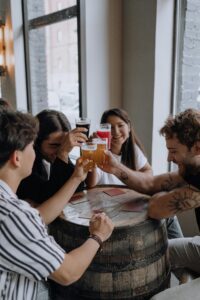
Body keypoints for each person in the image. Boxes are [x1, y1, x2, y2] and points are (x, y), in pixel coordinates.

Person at [0, 109, 114, 300]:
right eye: (30, 146)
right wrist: (98, 236)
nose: (34, 152)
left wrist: (77, 177)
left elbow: (39, 216)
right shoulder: (13, 215)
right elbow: (68, 273)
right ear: (16, 157)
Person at [86, 108, 183, 239]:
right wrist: (91, 155)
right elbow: (91, 184)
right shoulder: (101, 153)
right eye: (109, 127)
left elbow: (149, 174)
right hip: (110, 211)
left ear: (129, 127)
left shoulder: (132, 149)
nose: (115, 132)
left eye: (120, 125)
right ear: (102, 131)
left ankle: (173, 248)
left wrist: (119, 169)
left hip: (129, 205)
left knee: (169, 215)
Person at [17, 109, 88, 204]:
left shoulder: (60, 156)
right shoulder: (26, 163)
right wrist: (63, 153)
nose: (59, 150)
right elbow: (47, 198)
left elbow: (77, 190)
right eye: (54, 145)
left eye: (65, 144)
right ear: (36, 142)